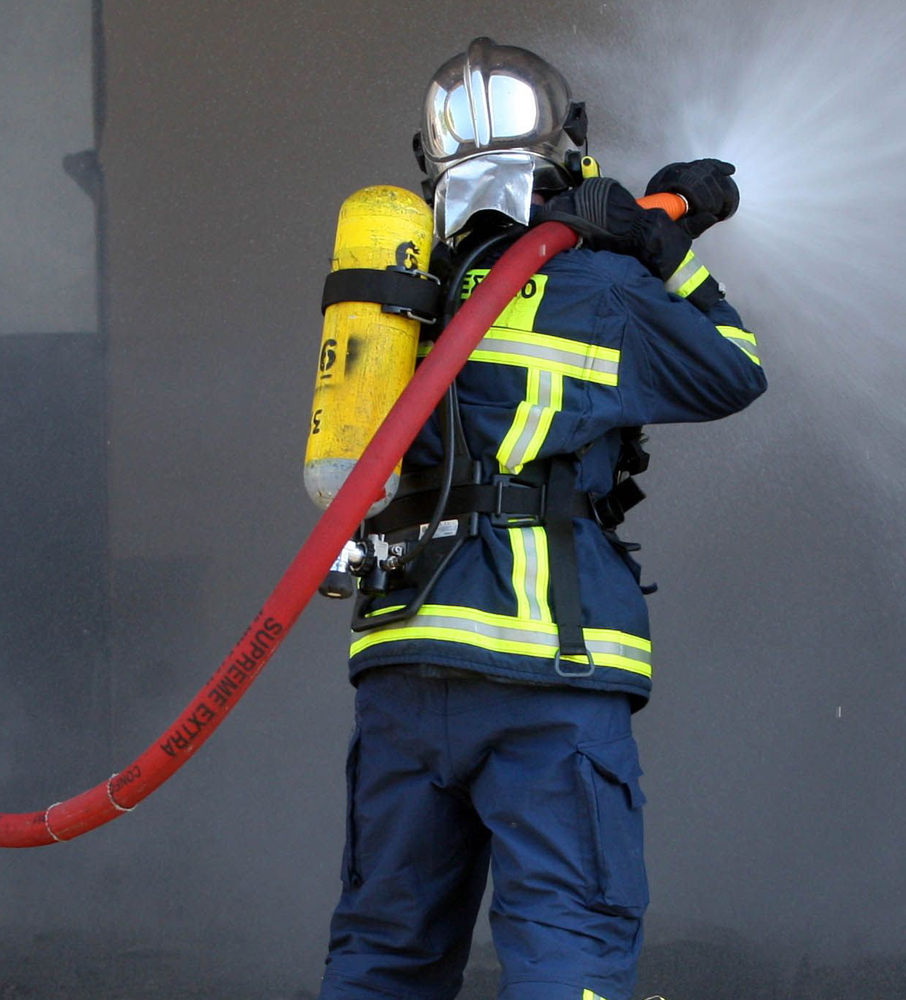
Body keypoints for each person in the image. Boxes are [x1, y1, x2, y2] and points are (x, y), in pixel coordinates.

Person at [318, 38, 765, 1000]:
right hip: (542, 667)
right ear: (568, 150)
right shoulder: (600, 291)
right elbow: (732, 369)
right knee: (567, 938)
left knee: (382, 950)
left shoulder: (399, 304)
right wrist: (662, 249)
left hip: (402, 666)